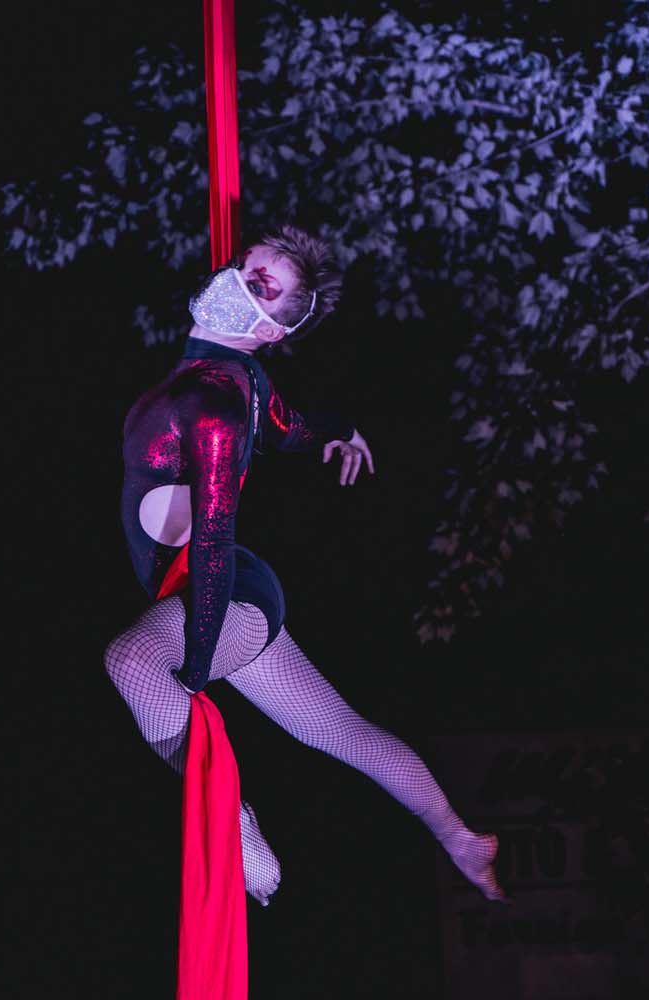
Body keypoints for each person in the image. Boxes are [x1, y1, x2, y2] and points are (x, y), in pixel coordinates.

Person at [105, 224, 504, 907]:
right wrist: (343, 428)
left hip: (222, 588)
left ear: (271, 329)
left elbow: (212, 542)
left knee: (133, 663)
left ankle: (234, 820)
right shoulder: (244, 379)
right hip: (230, 589)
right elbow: (294, 431)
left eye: (261, 287)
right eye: (244, 267)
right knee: (339, 731)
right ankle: (461, 838)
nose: (238, 281)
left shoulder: (216, 399)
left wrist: (196, 668)